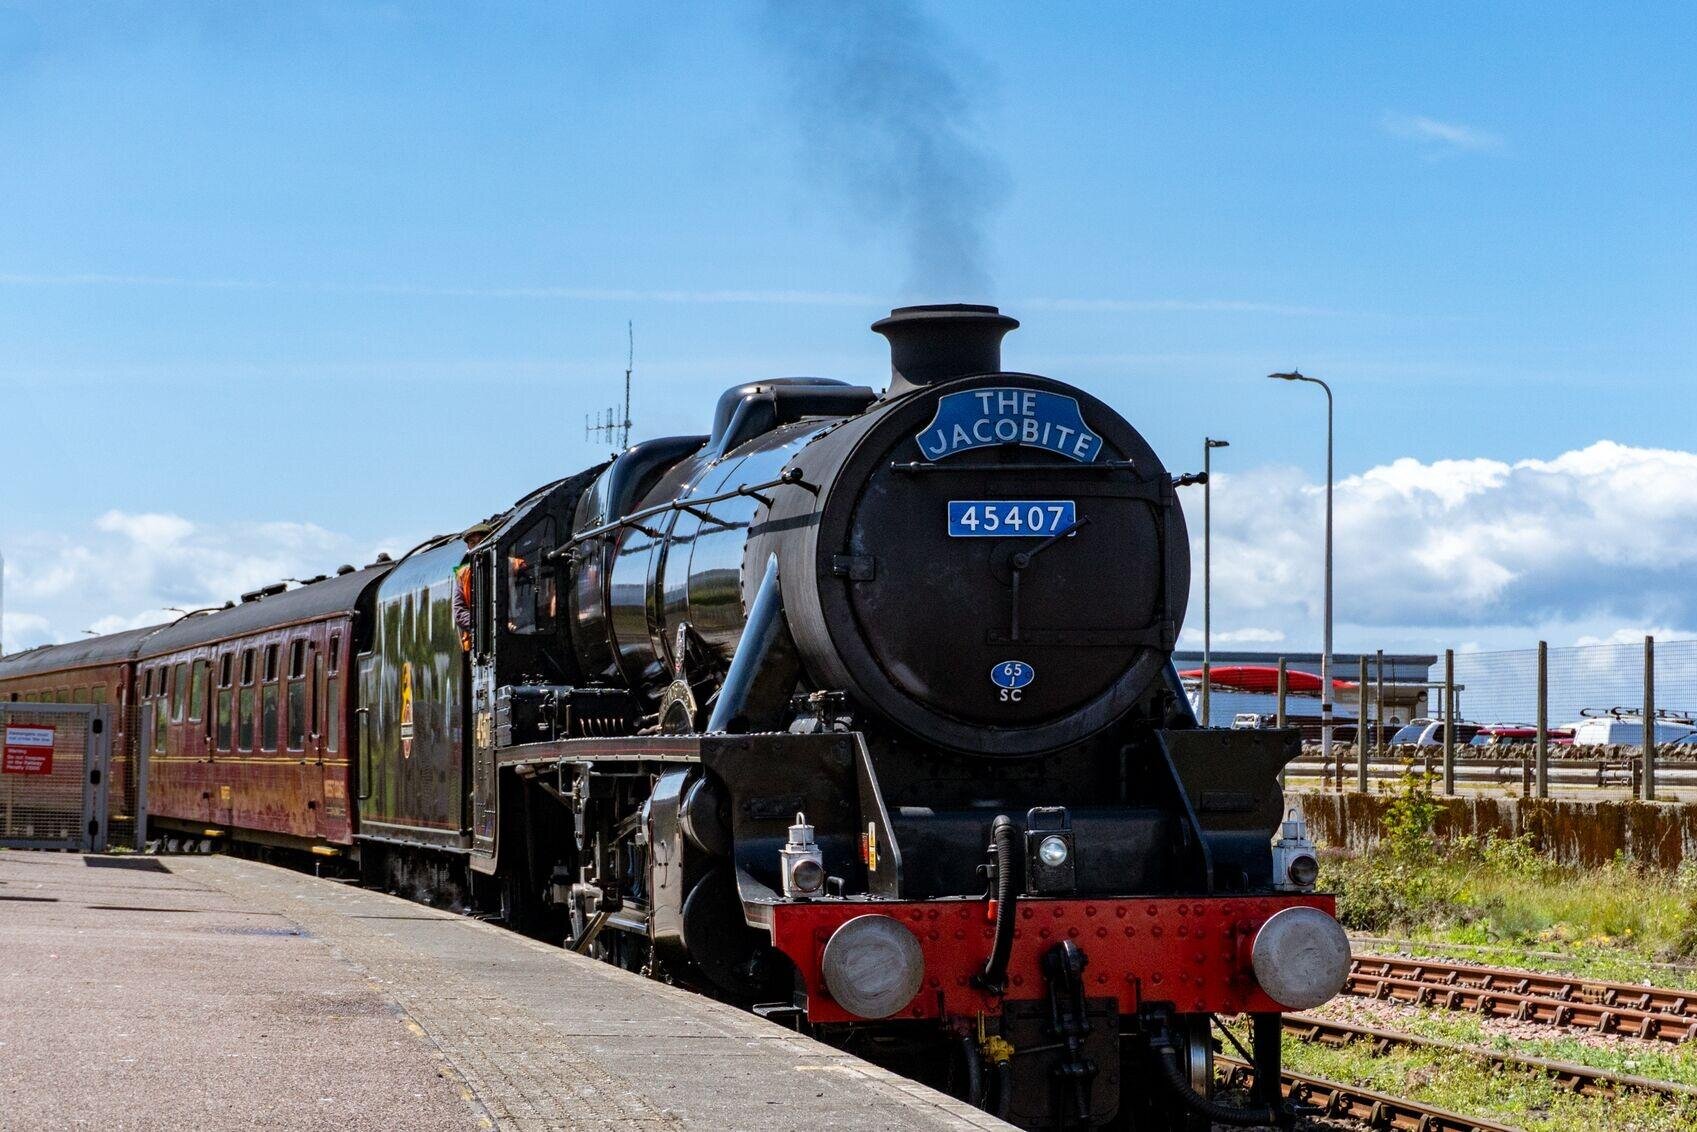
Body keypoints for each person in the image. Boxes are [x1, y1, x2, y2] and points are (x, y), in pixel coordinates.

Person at [452, 523, 492, 653]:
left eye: (481, 541)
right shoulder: (463, 574)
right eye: (472, 543)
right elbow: (459, 611)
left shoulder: (514, 565)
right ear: (468, 547)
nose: (477, 546)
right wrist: (483, 625)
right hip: (477, 642)